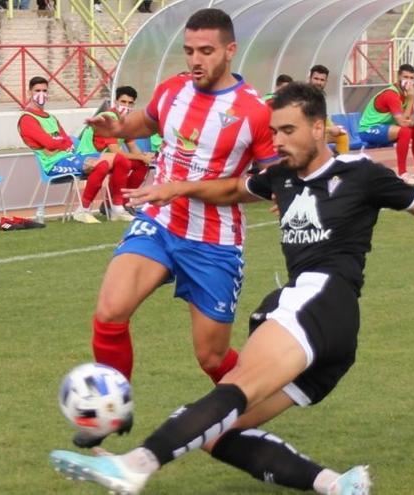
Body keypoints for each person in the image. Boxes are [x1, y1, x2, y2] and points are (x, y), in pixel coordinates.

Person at [50, 83, 414, 494]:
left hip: (321, 299)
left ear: (319, 127)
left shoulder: (361, 173)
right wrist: (179, 185)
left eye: (287, 130)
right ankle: (335, 483)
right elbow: (233, 188)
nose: (276, 141)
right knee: (213, 432)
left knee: (229, 394)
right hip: (326, 336)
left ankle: (133, 468)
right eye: (273, 131)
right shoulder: (279, 177)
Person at [72, 8, 279, 447]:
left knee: (212, 356)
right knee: (110, 312)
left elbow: (265, 184)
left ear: (229, 50)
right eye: (189, 51)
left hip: (215, 243)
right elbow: (141, 123)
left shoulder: (254, 112)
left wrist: (188, 186)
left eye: (206, 51)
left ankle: (262, 397)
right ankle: (112, 411)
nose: (195, 60)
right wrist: (116, 126)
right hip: (160, 223)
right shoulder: (172, 91)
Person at [17, 76, 111, 224]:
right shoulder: (27, 119)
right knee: (99, 164)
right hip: (53, 164)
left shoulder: (51, 118)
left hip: (70, 157)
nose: (41, 94)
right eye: (37, 91)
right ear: (29, 93)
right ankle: (84, 210)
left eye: (44, 91)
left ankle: (116, 207)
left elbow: (66, 140)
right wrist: (59, 143)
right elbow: (48, 142)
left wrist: (58, 143)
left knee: (114, 160)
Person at [82, 86, 156, 221]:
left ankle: (119, 202)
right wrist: (141, 156)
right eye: (123, 102)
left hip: (111, 159)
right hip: (90, 158)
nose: (126, 106)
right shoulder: (109, 118)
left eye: (130, 103)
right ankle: (109, 206)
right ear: (115, 102)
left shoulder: (125, 122)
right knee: (124, 161)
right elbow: (116, 151)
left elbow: (133, 147)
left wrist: (144, 157)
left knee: (141, 164)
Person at [358, 64, 414, 185]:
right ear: (398, 77)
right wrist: (411, 99)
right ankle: (403, 174)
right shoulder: (392, 94)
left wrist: (410, 119)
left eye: (412, 78)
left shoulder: (406, 95)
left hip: (386, 128)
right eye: (405, 77)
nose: (409, 81)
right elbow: (402, 122)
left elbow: (410, 119)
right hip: (369, 129)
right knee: (405, 131)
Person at [307, 64, 349, 155]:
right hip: (305, 134)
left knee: (342, 135)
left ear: (326, 81)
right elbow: (305, 124)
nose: (319, 82)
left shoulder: (321, 96)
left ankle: (342, 163)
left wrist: (335, 128)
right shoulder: (304, 97)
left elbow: (323, 118)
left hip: (318, 132)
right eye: (316, 79)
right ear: (309, 78)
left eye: (322, 80)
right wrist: (330, 129)